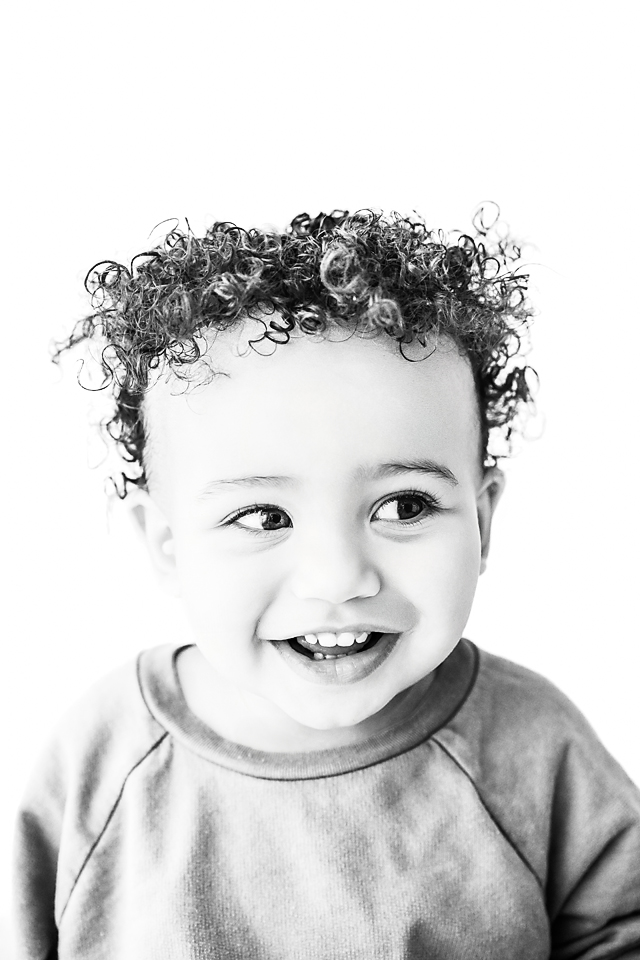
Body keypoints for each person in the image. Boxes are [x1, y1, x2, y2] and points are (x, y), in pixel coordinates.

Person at [14, 209, 640, 958]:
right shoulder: (102, 765)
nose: (337, 576)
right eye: (261, 515)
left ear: (483, 521)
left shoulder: (536, 753)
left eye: (404, 506)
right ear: (167, 545)